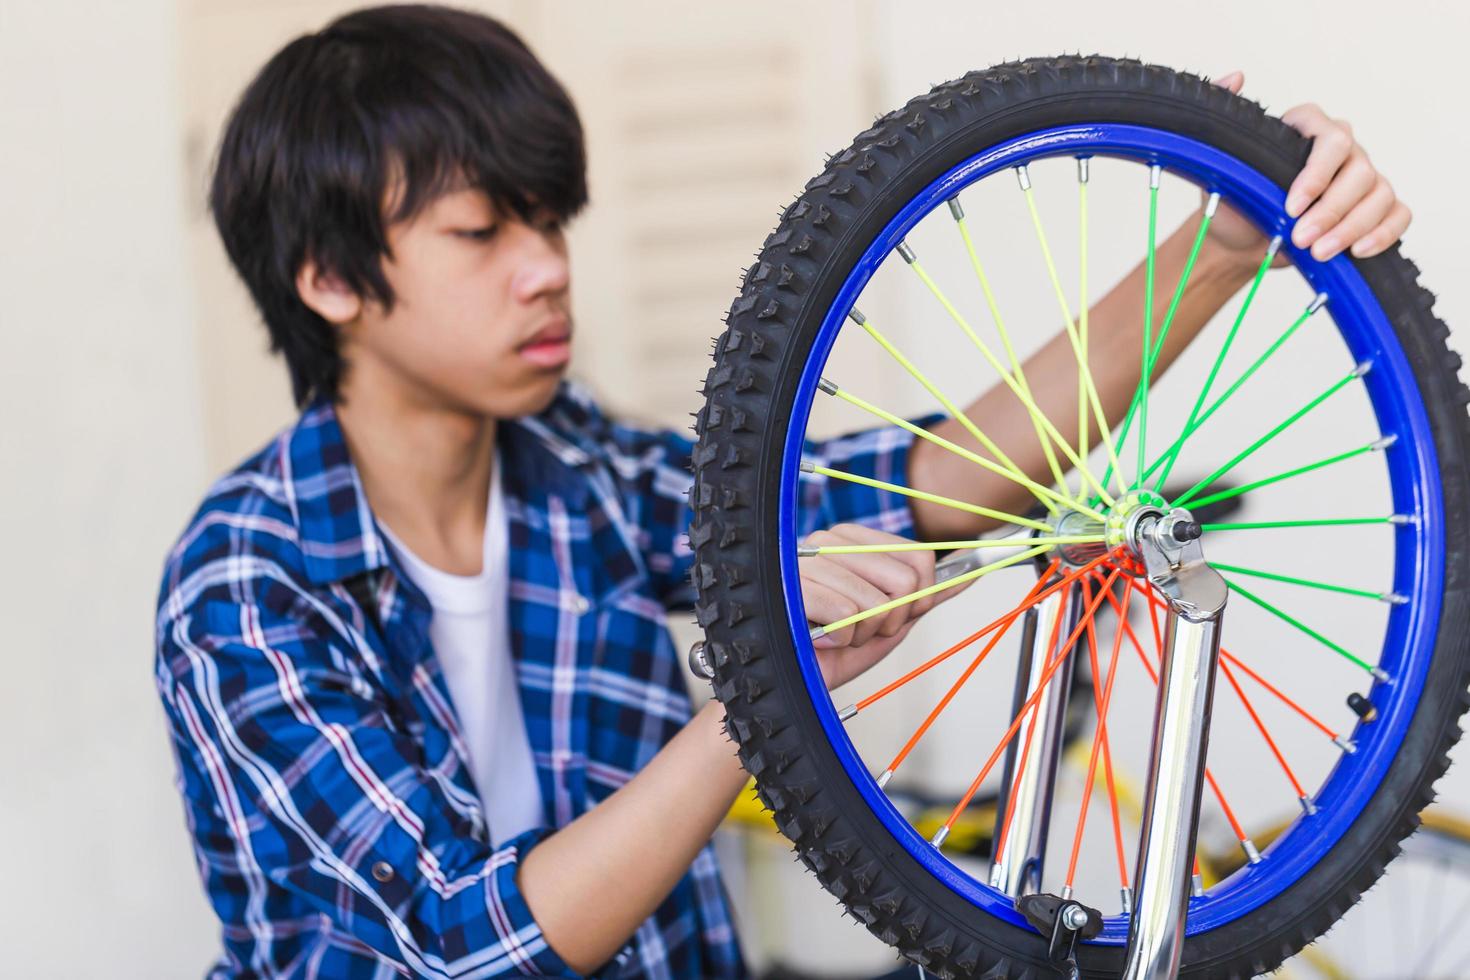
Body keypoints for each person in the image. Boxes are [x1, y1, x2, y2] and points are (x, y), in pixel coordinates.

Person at [153, 5, 1411, 977]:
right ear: (328, 279)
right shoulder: (247, 579)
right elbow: (460, 945)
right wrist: (760, 687)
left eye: (553, 222)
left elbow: (931, 485)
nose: (546, 270)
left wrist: (1219, 250)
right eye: (484, 233)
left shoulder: (575, 471)